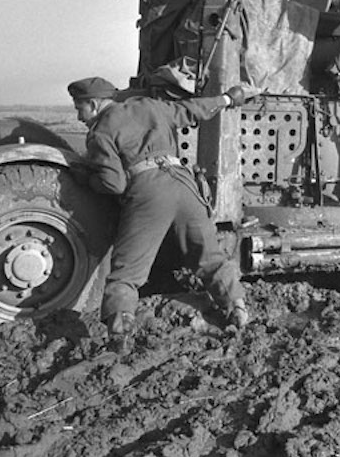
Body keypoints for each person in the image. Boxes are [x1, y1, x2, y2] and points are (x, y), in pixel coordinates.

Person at [68, 76, 250, 348]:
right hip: (186, 186)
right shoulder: (149, 106)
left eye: (79, 108)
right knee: (210, 258)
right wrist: (228, 98)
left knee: (127, 272)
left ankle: (119, 336)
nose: (78, 116)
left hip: (150, 193)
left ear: (93, 105)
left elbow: (113, 184)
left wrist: (85, 178)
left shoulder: (100, 131)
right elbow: (192, 110)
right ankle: (238, 309)